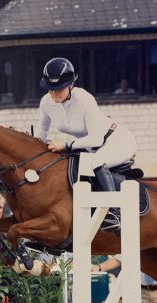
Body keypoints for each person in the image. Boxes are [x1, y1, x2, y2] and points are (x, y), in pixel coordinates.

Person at [37, 57, 138, 232]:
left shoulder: (84, 98)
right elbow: (40, 135)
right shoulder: (46, 102)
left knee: (92, 163)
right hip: (90, 147)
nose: (53, 94)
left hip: (116, 140)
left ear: (70, 85)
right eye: (50, 89)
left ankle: (114, 213)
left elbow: (96, 139)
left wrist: (66, 145)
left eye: (58, 89)